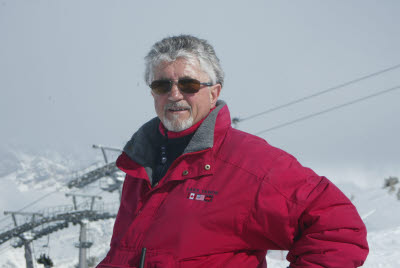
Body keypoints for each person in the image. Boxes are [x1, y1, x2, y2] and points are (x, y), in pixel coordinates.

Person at [97, 35, 368, 268]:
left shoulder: (250, 163)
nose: (175, 95)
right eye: (162, 85)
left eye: (189, 85)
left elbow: (339, 228)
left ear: (214, 93)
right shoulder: (141, 163)